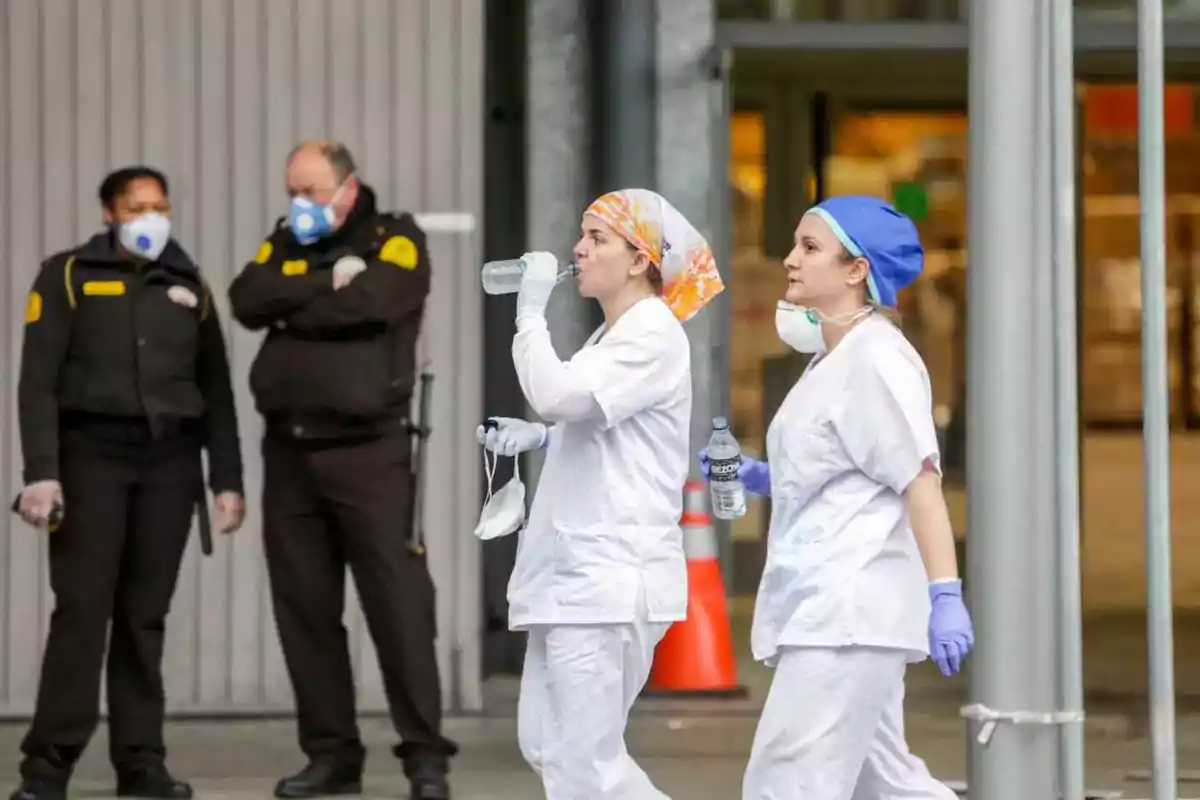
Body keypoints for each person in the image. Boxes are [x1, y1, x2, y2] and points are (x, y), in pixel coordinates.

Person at [699, 195, 974, 800]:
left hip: (846, 612)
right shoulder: (835, 356)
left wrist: (945, 594)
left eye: (810, 247)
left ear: (857, 271)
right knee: (890, 785)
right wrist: (762, 477)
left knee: (785, 784)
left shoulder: (876, 360)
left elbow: (917, 482)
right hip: (835, 607)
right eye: (796, 244)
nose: (790, 260)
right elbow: (845, 465)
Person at [475, 189, 725, 800]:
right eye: (582, 235)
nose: (578, 250)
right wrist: (541, 438)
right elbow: (593, 421)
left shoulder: (651, 334)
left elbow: (559, 394)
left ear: (640, 260)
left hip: (607, 581)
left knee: (584, 763)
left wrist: (529, 313)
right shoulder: (612, 337)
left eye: (597, 239)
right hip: (577, 578)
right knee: (549, 747)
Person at [227, 140, 456, 800]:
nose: (300, 205)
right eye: (292, 193)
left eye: (312, 192)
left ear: (347, 188)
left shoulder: (396, 238)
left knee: (400, 606)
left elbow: (376, 304)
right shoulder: (284, 241)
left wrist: (291, 307)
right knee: (305, 610)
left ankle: (424, 758)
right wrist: (326, 281)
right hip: (290, 453)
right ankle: (331, 756)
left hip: (370, 453)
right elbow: (247, 298)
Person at [10, 166, 246, 800]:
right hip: (91, 461)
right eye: (138, 206)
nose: (152, 217)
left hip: (169, 467)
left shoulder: (188, 282)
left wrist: (227, 479)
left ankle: (140, 764)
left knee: (145, 617)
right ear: (110, 213)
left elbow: (215, 389)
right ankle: (47, 767)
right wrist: (42, 473)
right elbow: (37, 382)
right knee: (83, 612)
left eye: (160, 205)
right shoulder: (66, 275)